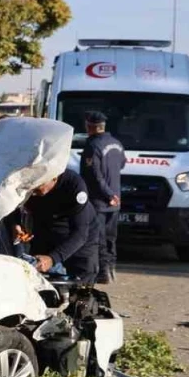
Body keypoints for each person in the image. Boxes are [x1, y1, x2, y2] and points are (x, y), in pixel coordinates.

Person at [11, 169, 99, 284]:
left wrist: (52, 259)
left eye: (37, 188)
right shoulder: (27, 184)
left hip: (77, 236)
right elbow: (14, 204)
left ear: (54, 177)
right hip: (45, 229)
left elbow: (80, 233)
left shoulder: (74, 185)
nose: (32, 193)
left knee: (81, 283)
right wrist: (16, 224)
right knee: (38, 281)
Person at [79, 111, 125, 284]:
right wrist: (113, 194)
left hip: (99, 200)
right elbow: (122, 164)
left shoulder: (93, 146)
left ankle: (103, 272)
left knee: (98, 237)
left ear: (89, 126)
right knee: (111, 236)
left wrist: (107, 194)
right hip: (115, 199)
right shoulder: (117, 143)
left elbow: (94, 175)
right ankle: (111, 268)